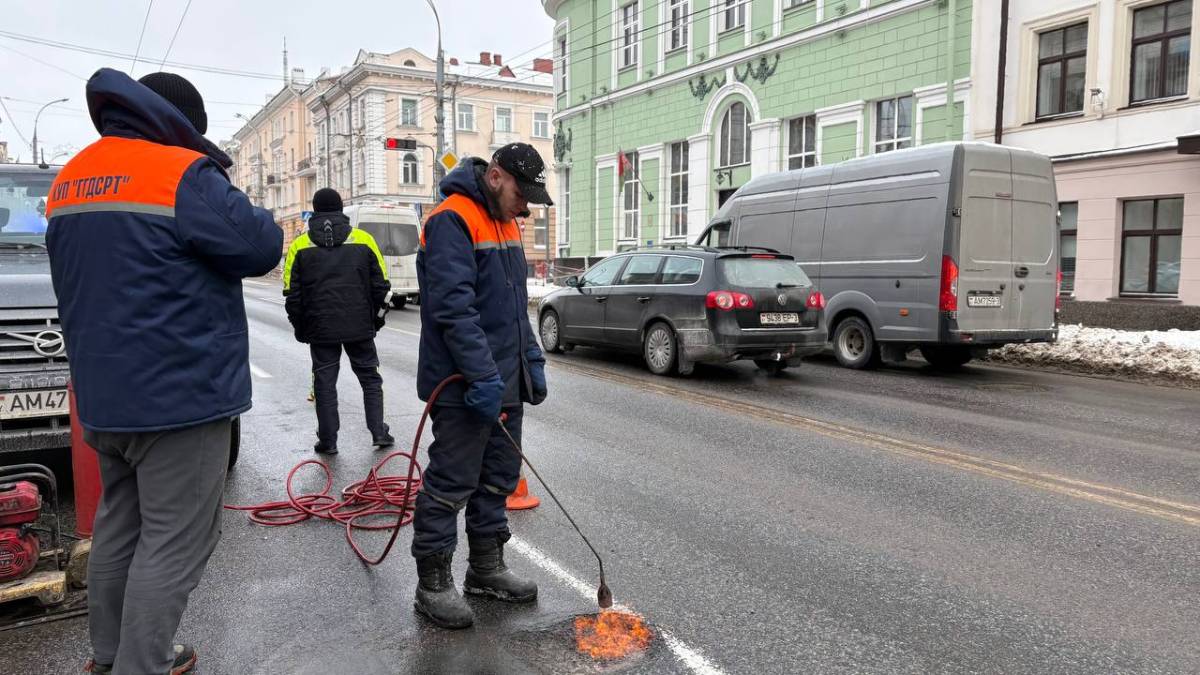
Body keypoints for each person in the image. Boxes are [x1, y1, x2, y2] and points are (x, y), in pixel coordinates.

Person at [45, 68, 283, 675]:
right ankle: (143, 664)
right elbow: (260, 246)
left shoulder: (72, 177)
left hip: (104, 397)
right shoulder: (179, 173)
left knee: (119, 527)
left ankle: (110, 657)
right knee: (174, 544)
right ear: (182, 127)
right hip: (180, 397)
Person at [411, 143, 551, 628]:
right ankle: (433, 583)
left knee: (498, 477)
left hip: (503, 382)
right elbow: (454, 311)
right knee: (452, 481)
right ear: (495, 176)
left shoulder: (507, 222)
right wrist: (483, 376)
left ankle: (486, 569)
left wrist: (529, 359)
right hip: (463, 385)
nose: (527, 205)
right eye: (521, 192)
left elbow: (513, 307)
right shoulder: (452, 219)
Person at [283, 188, 394, 454]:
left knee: (324, 383)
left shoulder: (299, 245)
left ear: (315, 211)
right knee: (370, 379)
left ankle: (328, 441)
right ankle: (379, 432)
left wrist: (302, 328)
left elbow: (291, 295)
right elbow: (383, 289)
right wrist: (375, 322)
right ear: (341, 209)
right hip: (360, 327)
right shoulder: (364, 240)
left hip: (320, 329)